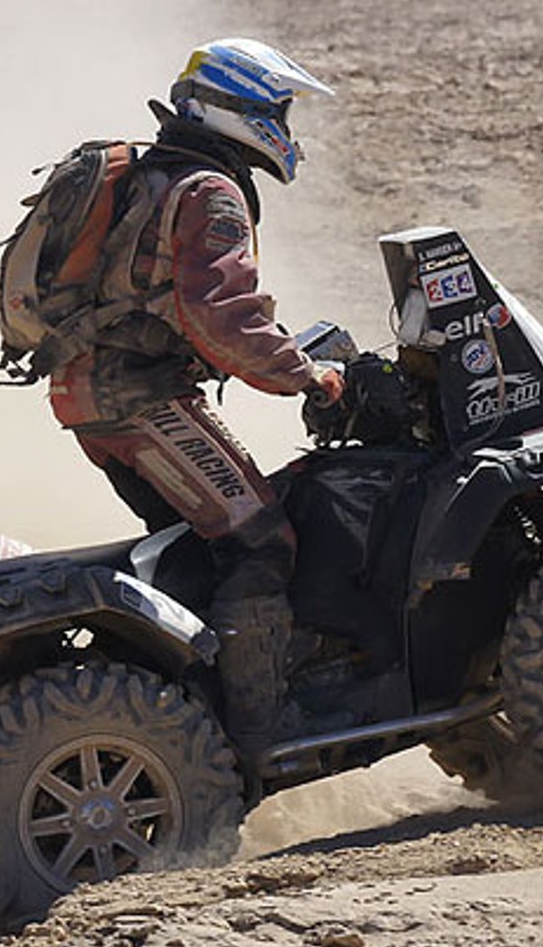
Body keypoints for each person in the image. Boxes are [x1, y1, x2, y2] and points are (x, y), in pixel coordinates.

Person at [45, 38, 343, 768]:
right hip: (140, 400)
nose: (283, 127)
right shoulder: (211, 192)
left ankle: (187, 713)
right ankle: (262, 734)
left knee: (192, 552)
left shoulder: (155, 175)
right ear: (236, 108)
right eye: (275, 110)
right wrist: (309, 377)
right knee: (260, 539)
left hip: (91, 395)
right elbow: (223, 317)